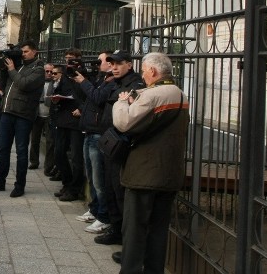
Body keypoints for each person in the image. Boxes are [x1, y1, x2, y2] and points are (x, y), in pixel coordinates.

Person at [110, 52, 189, 272]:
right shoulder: (180, 94)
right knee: (158, 229)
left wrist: (121, 103)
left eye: (144, 71)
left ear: (153, 71)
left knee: (134, 229)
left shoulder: (153, 95)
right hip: (169, 173)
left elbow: (124, 123)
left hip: (143, 174)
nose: (143, 75)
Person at [94, 49, 145, 246]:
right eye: (112, 64)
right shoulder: (114, 82)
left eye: (118, 64)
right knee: (109, 187)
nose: (114, 68)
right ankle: (116, 229)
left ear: (129, 65)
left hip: (121, 144)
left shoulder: (135, 85)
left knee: (118, 189)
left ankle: (125, 236)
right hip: (109, 142)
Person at [0, 40, 44, 197]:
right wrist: (4, 68)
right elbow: (2, 85)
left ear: (34, 52)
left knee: (21, 151)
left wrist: (11, 70)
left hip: (24, 115)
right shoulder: (17, 66)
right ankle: (0, 181)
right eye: (21, 52)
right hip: (7, 112)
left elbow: (24, 84)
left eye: (26, 52)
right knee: (3, 149)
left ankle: (20, 185)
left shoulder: (38, 69)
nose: (22, 54)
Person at [70, 51, 114, 236]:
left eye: (101, 60)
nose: (98, 63)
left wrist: (84, 82)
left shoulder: (110, 82)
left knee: (99, 179)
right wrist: (82, 77)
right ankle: (95, 209)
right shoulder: (100, 79)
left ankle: (103, 217)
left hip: (98, 133)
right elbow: (87, 97)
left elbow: (97, 98)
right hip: (88, 131)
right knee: (91, 176)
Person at [52, 49, 86, 202]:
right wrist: (55, 98)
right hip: (63, 118)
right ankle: (67, 183)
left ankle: (75, 189)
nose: (68, 62)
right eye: (66, 59)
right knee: (59, 153)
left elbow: (90, 96)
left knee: (76, 157)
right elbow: (60, 91)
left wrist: (82, 108)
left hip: (77, 122)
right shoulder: (65, 74)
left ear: (79, 59)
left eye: (71, 59)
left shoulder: (85, 75)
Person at [28, 62, 52, 170]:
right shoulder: (37, 82)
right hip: (37, 114)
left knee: (50, 141)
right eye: (47, 71)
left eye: (52, 72)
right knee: (34, 140)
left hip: (50, 115)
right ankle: (34, 161)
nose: (49, 74)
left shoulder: (55, 83)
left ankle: (49, 165)